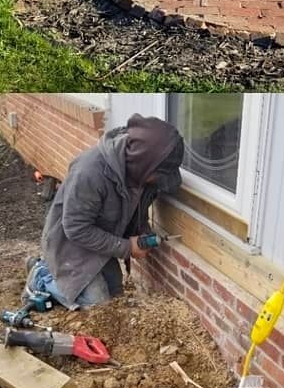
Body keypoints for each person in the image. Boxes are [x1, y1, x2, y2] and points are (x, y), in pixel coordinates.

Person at [24, 114, 185, 309]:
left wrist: (142, 232)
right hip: (69, 245)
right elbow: (75, 228)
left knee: (114, 296)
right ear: (145, 163)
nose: (157, 180)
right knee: (96, 305)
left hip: (98, 242)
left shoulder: (140, 171)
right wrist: (127, 247)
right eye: (157, 174)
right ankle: (42, 274)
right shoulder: (90, 172)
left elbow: (137, 209)